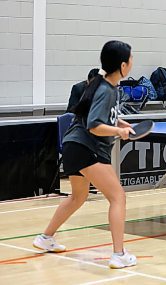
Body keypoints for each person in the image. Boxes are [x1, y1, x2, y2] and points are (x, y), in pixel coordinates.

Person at [33, 40, 138, 269]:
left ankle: (45, 238)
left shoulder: (104, 85)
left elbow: (98, 116)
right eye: (130, 60)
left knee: (77, 197)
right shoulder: (106, 89)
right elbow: (93, 125)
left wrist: (119, 121)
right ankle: (119, 254)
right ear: (122, 65)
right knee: (118, 196)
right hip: (86, 147)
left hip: (73, 146)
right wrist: (119, 131)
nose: (132, 63)